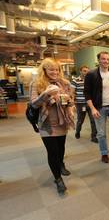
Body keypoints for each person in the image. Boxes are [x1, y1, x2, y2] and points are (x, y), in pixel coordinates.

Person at [29, 58, 75, 195]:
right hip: (47, 123)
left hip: (62, 122)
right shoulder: (37, 83)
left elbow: (71, 100)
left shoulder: (64, 83)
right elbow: (33, 104)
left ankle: (61, 164)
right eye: (51, 69)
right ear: (44, 70)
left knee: (61, 148)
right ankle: (58, 179)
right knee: (52, 152)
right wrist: (46, 94)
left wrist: (70, 105)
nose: (54, 72)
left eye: (57, 69)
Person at [84, 51, 109, 163]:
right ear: (99, 60)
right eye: (103, 59)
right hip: (99, 107)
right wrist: (92, 108)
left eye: (107, 59)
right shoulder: (91, 74)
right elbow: (87, 93)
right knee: (101, 133)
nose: (106, 61)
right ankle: (104, 153)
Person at [71, 66, 97, 143]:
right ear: (80, 71)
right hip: (80, 104)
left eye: (87, 71)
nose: (86, 73)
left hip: (90, 104)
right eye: (84, 71)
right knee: (80, 120)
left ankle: (94, 136)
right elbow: (72, 92)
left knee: (93, 120)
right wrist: (72, 103)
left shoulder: (91, 81)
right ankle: (77, 132)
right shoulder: (75, 81)